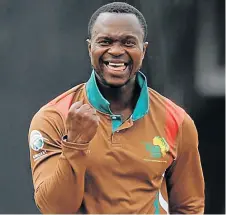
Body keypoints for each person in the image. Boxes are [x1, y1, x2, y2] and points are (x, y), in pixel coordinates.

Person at [28, 2, 205, 214]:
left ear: (143, 49)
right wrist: (75, 143)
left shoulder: (176, 121)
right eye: (105, 41)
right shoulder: (54, 117)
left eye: (129, 42)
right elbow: (55, 208)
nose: (116, 51)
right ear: (90, 47)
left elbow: (190, 207)